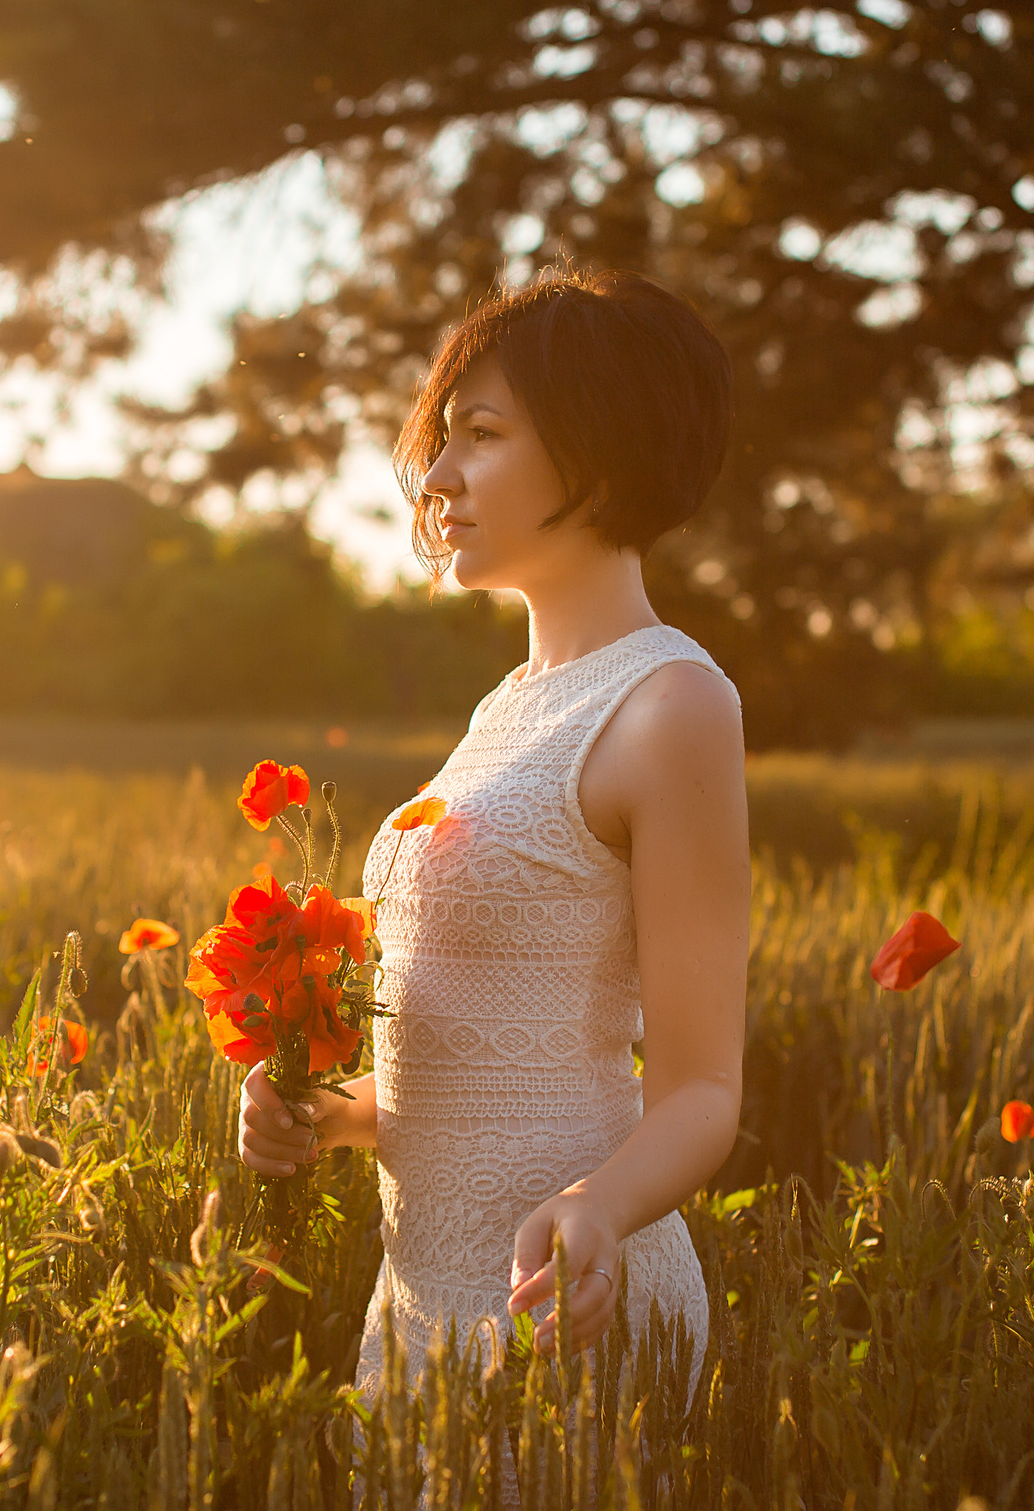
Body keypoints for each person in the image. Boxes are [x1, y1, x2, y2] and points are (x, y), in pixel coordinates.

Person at [236, 266, 752, 1442]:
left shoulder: (672, 703)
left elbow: (703, 1089)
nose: (436, 477)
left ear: (600, 456)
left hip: (560, 1296)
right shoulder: (504, 710)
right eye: (440, 439)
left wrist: (598, 1208)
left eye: (480, 435)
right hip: (418, 1296)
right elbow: (478, 1056)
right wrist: (332, 1115)